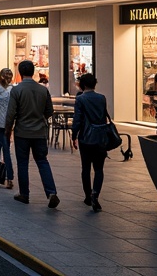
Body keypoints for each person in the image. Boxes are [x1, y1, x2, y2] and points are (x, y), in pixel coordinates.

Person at [5, 59, 58, 207]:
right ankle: (51, 192)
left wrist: (8, 131)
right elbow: (49, 111)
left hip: (22, 132)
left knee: (23, 163)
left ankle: (24, 194)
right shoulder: (43, 90)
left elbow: (11, 115)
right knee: (42, 161)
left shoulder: (16, 90)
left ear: (20, 73)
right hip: (39, 132)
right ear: (33, 72)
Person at [71, 73, 109, 212]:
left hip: (86, 138)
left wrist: (74, 135)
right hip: (100, 138)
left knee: (85, 168)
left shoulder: (80, 99)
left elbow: (77, 120)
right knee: (99, 169)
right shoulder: (101, 98)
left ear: (83, 84)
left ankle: (88, 195)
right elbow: (103, 117)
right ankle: (95, 194)